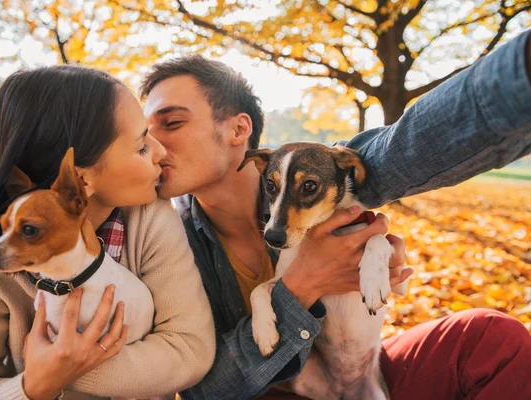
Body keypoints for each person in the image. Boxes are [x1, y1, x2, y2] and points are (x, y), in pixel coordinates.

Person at [140, 29, 531, 399]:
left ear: (239, 129)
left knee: (493, 337)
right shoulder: (164, 237)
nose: (153, 142)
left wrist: (519, 72)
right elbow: (201, 390)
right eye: (145, 131)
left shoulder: (321, 171)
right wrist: (301, 288)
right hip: (277, 389)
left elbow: (410, 144)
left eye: (171, 122)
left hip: (359, 366)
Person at [0, 65, 216, 399]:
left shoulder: (151, 220)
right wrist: (33, 387)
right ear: (79, 181)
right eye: (141, 147)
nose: (160, 151)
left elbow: (190, 348)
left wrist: (64, 372)